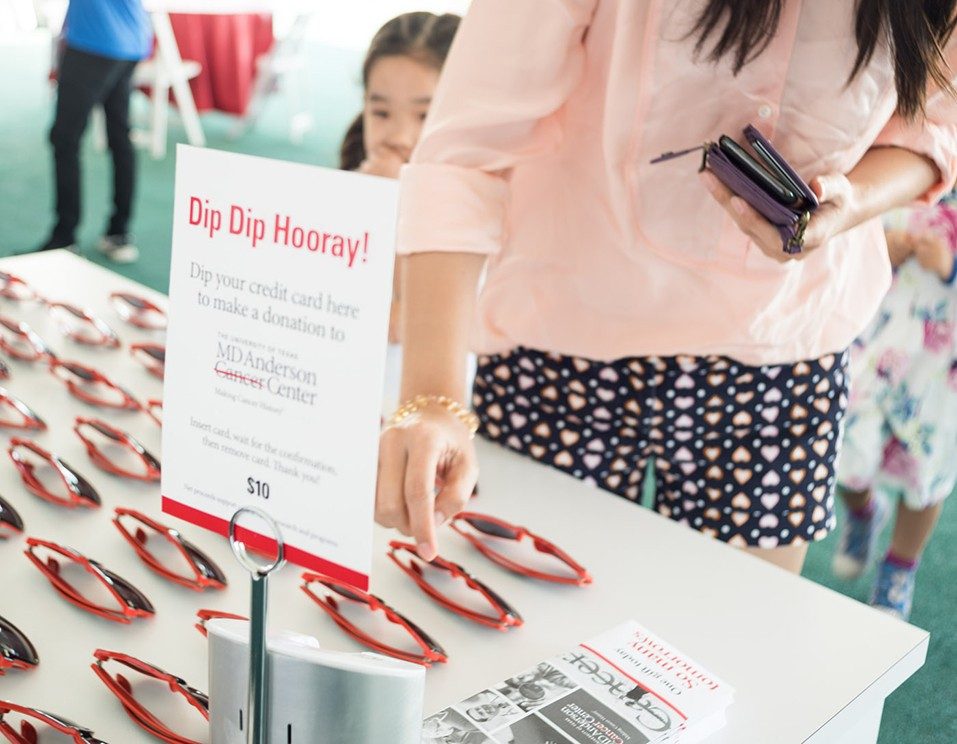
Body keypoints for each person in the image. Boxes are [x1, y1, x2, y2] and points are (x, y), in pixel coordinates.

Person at [376, 0, 957, 576]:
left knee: (734, 640)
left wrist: (854, 199)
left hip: (783, 348)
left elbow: (936, 121)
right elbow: (466, 149)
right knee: (533, 627)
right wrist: (432, 399)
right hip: (563, 337)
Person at [832, 194, 957, 620]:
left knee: (926, 460)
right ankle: (864, 509)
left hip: (944, 353)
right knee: (842, 441)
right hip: (875, 323)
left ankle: (900, 565)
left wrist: (951, 266)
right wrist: (875, 244)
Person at [338, 12, 460, 343]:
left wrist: (392, 207)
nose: (399, 136)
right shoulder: (350, 187)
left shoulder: (471, 210)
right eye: (381, 113)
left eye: (425, 115)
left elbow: (404, 322)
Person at [38, 0, 152, 263]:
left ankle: (64, 237)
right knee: (120, 136)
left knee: (65, 138)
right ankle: (119, 231)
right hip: (130, 39)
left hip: (95, 41)